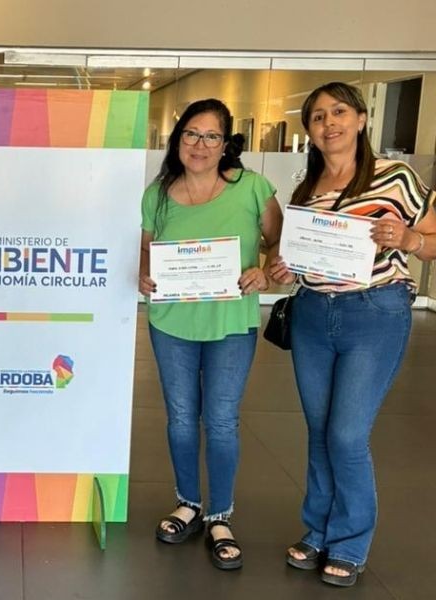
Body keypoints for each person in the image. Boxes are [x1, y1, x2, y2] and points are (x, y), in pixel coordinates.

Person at [267, 82, 436, 587]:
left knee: (346, 434)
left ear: (361, 119)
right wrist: (284, 266)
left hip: (374, 314)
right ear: (310, 129)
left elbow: (431, 239)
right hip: (313, 315)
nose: (329, 123)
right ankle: (317, 531)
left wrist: (409, 238)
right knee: (320, 431)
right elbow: (299, 259)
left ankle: (349, 542)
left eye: (339, 112)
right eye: (318, 116)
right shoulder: (307, 187)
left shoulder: (395, 177)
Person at [139, 98, 283, 570]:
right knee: (182, 417)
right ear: (178, 139)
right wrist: (144, 274)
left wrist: (265, 272)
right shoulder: (158, 193)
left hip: (230, 323)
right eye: (191, 134)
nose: (199, 145)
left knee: (221, 420)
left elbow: (278, 244)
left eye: (211, 136)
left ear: (226, 145)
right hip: (171, 322)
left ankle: (220, 515)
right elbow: (146, 249)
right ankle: (188, 502)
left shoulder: (252, 187)